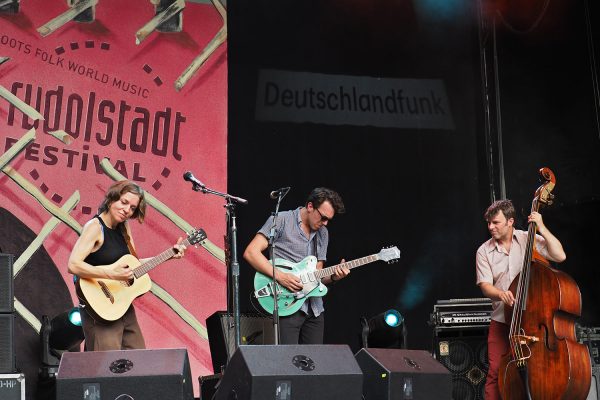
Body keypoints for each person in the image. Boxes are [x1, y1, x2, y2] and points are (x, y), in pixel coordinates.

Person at [68, 180, 186, 351]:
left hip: (122, 306)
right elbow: (73, 265)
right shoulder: (95, 227)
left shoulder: (124, 228)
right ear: (111, 199)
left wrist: (170, 255)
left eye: (132, 208)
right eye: (124, 202)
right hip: (99, 310)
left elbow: (133, 267)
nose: (127, 210)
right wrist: (112, 274)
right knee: (105, 368)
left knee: (138, 362)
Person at [475, 199, 566, 400]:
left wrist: (540, 225)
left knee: (537, 369)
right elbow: (484, 285)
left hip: (532, 320)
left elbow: (559, 256)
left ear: (510, 221)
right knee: (496, 372)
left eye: (496, 222)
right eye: (489, 223)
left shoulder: (528, 238)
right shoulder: (483, 251)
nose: (491, 227)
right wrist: (500, 294)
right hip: (502, 321)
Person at [243, 187, 349, 344]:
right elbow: (251, 253)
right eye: (323, 217)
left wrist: (334, 276)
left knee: (314, 365)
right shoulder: (282, 220)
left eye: (329, 220)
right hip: (286, 304)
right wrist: (281, 277)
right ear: (310, 206)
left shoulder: (323, 233)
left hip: (314, 310)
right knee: (288, 364)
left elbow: (316, 276)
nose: (325, 223)